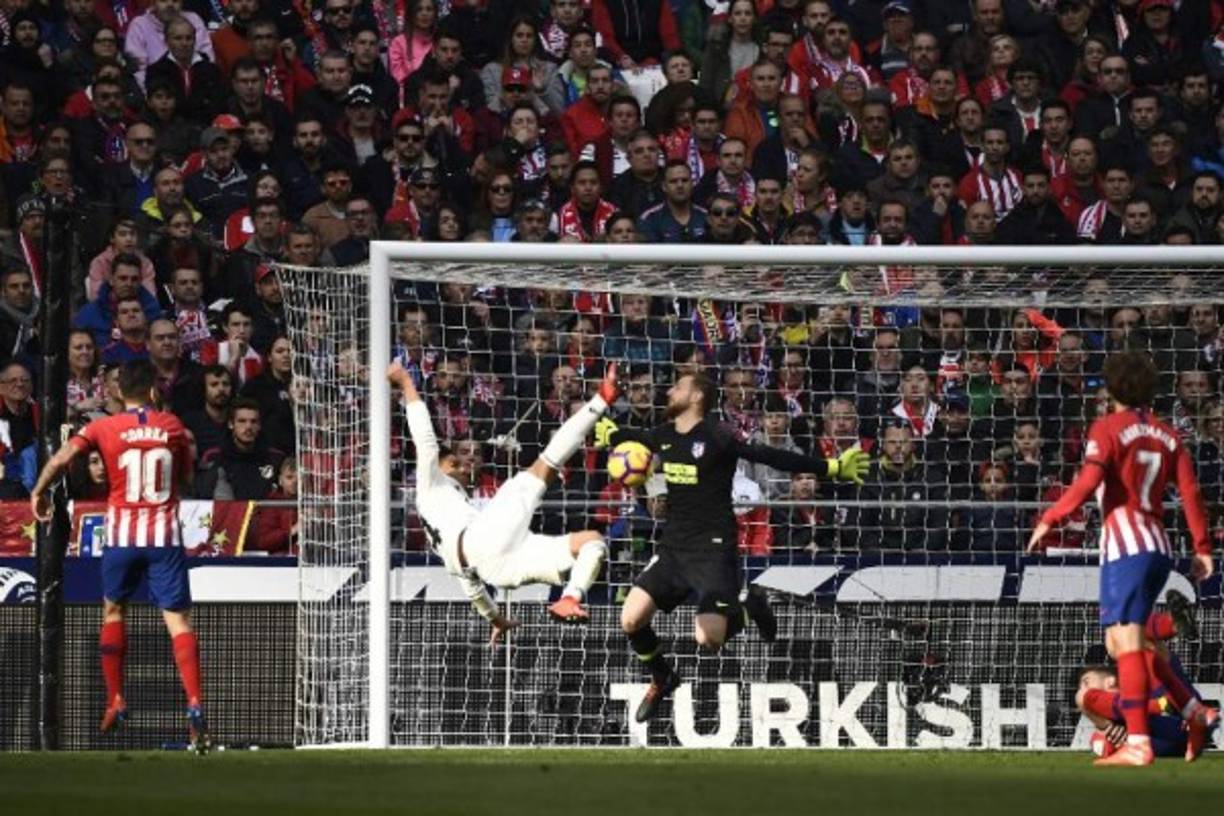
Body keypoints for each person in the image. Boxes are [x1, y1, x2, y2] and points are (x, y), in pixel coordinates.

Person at [597, 370, 870, 722]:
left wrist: (830, 466)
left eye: (678, 385)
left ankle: (752, 605)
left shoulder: (718, 436)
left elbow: (770, 456)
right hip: (674, 549)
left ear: (696, 397)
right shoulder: (662, 435)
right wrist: (611, 434)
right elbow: (633, 436)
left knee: (708, 641)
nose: (669, 390)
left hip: (714, 549)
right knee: (630, 619)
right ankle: (662, 677)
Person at [1027, 351, 1218, 766]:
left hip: (1125, 547)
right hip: (1160, 547)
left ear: (1112, 388)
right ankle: (1194, 711)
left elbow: (1089, 480)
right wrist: (1202, 548)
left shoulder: (1109, 427)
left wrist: (1052, 516)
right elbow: (1190, 493)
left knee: (1126, 642)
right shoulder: (1170, 435)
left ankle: (1138, 744)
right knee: (1124, 641)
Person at [28, 359, 208, 752]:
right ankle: (193, 703)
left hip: (122, 536)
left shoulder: (103, 426)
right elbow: (187, 475)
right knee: (178, 622)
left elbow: (61, 459)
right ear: (155, 391)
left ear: (116, 392)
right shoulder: (172, 425)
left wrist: (38, 491)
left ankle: (115, 698)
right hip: (163, 536)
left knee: (113, 612)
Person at [388, 359, 617, 633]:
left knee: (592, 542)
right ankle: (602, 398)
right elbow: (425, 441)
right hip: (486, 543)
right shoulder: (430, 485)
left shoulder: (443, 525)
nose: (462, 464)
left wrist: (495, 619)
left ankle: (570, 598)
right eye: (453, 460)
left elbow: (471, 587)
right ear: (440, 465)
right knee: (547, 463)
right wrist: (406, 383)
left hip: (493, 569)